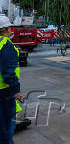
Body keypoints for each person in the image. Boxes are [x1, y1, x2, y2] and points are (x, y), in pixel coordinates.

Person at [0, 14, 22, 144]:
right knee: (7, 130)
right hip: (5, 93)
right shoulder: (6, 45)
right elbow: (8, 73)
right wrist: (16, 91)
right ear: (7, 29)